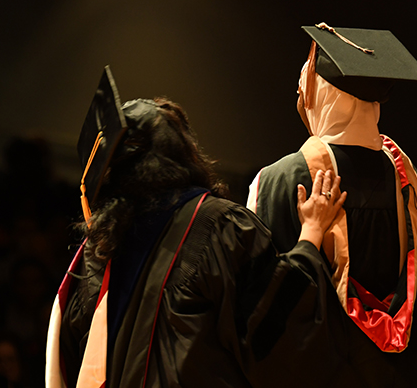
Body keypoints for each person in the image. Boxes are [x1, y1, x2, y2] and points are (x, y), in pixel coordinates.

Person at [45, 66, 351, 387]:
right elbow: (273, 332)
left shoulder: (98, 249)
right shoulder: (218, 225)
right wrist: (310, 235)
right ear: (183, 152)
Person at [248, 24, 417, 386]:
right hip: (396, 374)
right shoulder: (410, 182)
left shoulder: (281, 180)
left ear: (319, 94)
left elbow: (259, 301)